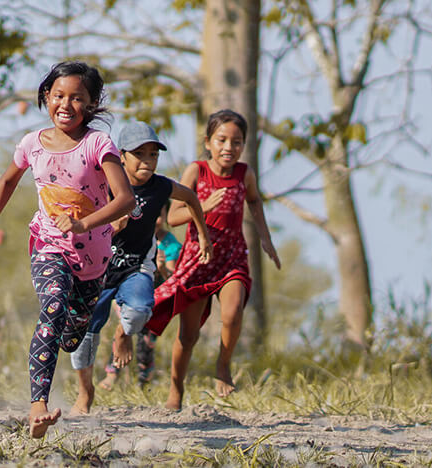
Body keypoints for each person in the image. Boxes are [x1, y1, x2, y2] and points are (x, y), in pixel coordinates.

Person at [0, 61, 136, 438]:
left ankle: (72, 342)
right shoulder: (32, 143)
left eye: (77, 98)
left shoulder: (98, 144)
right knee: (53, 307)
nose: (66, 104)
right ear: (46, 97)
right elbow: (6, 182)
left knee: (72, 337)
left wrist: (83, 224)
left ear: (91, 104)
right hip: (48, 245)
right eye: (59, 95)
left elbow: (125, 199)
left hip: (93, 259)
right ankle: (38, 406)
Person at [69, 121, 212, 415]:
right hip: (97, 271)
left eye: (153, 154)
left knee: (139, 311)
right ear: (121, 156)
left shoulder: (161, 187)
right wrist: (110, 228)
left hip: (136, 268)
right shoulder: (103, 184)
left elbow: (191, 197)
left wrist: (203, 235)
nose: (147, 161)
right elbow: (79, 224)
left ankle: (123, 335)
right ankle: (85, 393)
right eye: (139, 154)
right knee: (84, 335)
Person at [147, 109, 281, 408]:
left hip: (233, 257)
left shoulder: (244, 174)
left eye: (237, 142)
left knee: (232, 314)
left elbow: (255, 201)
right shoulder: (196, 172)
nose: (229, 147)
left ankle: (223, 366)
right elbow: (174, 217)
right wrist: (203, 206)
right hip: (199, 259)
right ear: (208, 142)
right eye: (222, 140)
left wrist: (265, 237)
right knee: (188, 335)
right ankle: (175, 391)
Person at [97, 201, 181, 391]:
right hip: (128, 292)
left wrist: (161, 268)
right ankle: (112, 373)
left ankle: (144, 379)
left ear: (166, 215)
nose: (156, 219)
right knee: (125, 327)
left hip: (155, 298)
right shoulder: (135, 233)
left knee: (146, 339)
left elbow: (171, 277)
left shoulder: (169, 244)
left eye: (160, 214)